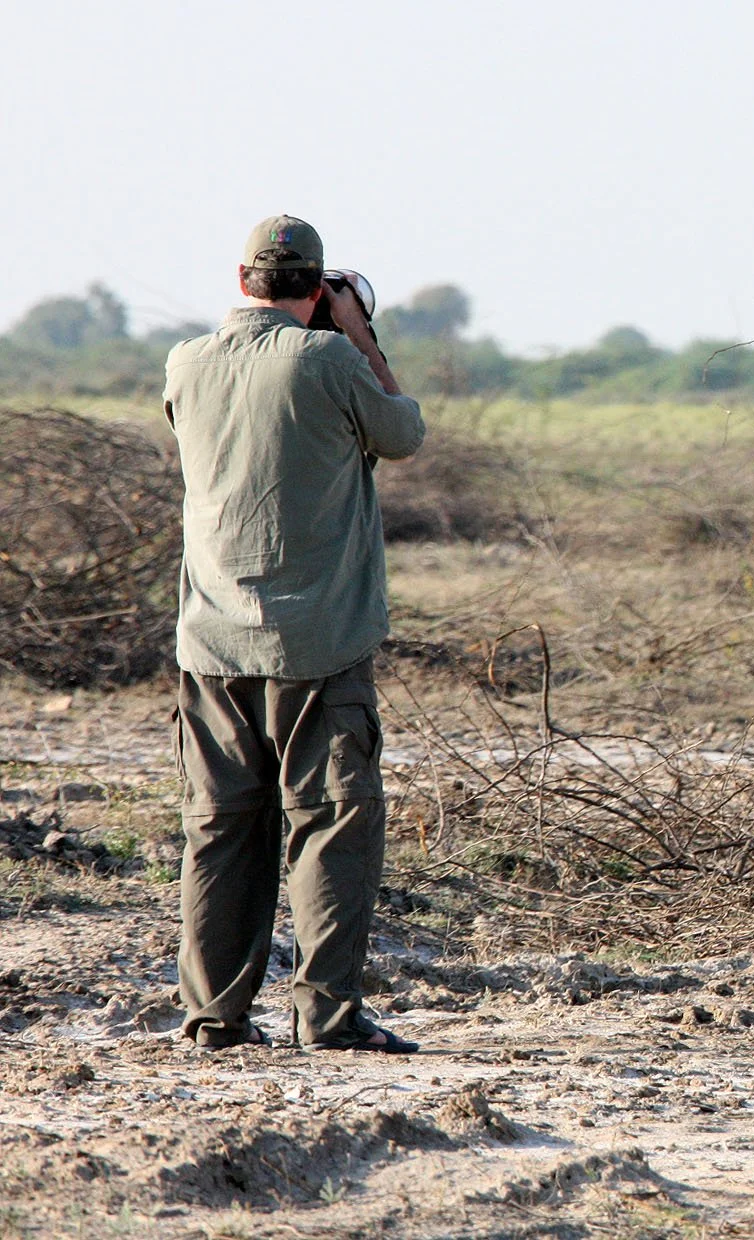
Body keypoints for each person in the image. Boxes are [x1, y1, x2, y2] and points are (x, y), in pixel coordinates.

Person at [163, 215, 426, 1052]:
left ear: (243, 281)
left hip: (211, 642)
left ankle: (214, 1016)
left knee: (221, 826)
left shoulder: (187, 362)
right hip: (318, 642)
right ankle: (328, 1014)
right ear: (317, 287)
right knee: (331, 820)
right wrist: (357, 332)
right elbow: (403, 433)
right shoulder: (330, 359)